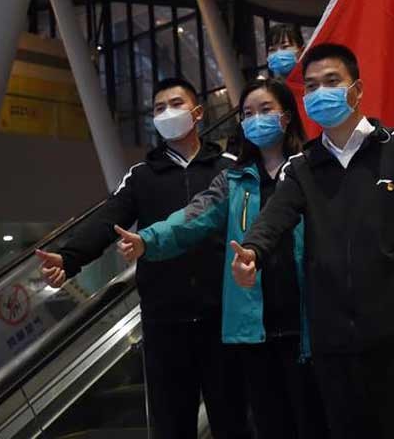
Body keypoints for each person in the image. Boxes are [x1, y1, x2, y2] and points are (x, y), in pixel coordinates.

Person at [230, 43, 394, 439]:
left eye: (332, 82)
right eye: (312, 86)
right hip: (333, 346)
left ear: (357, 89)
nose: (321, 93)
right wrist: (251, 251)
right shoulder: (301, 166)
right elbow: (275, 218)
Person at [35, 77, 251, 439]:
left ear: (197, 113)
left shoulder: (228, 167)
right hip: (164, 322)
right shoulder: (142, 176)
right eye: (158, 108)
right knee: (171, 424)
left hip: (223, 318)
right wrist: (68, 258)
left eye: (176, 104)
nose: (167, 113)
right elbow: (108, 219)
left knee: (234, 422)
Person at [115, 78, 327, 439]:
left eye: (265, 110)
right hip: (255, 331)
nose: (255, 119)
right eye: (247, 113)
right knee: (270, 424)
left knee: (316, 424)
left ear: (287, 117)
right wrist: (148, 240)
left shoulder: (314, 170)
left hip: (310, 325)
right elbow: (192, 217)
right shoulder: (234, 179)